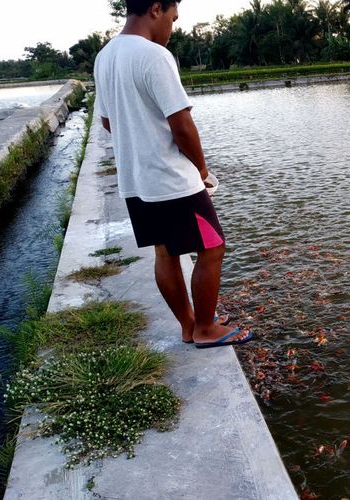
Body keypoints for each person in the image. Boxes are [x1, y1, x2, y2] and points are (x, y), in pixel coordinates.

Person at [93, 0, 251, 348]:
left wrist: (138, 137)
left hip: (136, 181)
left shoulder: (105, 56)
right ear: (155, 9)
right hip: (171, 179)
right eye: (173, 18)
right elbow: (181, 125)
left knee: (165, 253)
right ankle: (206, 330)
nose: (172, 27)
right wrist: (202, 169)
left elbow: (107, 121)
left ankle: (188, 325)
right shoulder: (153, 55)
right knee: (213, 248)